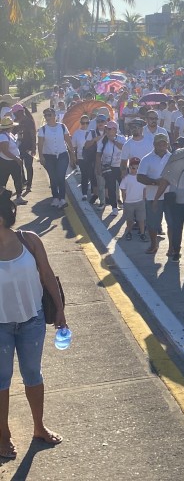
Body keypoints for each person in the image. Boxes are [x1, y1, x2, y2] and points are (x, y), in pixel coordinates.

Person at [0, 189, 66, 458]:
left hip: (33, 321)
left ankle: (39, 427)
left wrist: (60, 310)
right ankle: (3, 436)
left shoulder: (30, 240)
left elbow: (47, 275)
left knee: (33, 375)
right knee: (1, 380)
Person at [137, 134, 171, 255]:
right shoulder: (146, 159)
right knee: (152, 223)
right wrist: (154, 182)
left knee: (171, 223)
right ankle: (153, 244)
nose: (162, 146)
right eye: (159, 144)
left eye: (164, 144)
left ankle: (172, 248)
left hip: (169, 195)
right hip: (152, 196)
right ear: (154, 145)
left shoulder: (172, 158)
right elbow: (140, 177)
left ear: (167, 144)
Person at [37, 107, 76, 209]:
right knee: (53, 177)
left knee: (60, 176)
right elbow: (40, 144)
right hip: (49, 156)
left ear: (54, 116)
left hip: (62, 155)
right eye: (45, 115)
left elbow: (68, 140)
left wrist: (72, 153)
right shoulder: (43, 129)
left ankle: (62, 199)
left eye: (49, 115)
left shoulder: (62, 127)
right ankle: (55, 197)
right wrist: (41, 156)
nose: (47, 117)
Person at [95, 120, 125, 217]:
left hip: (120, 167)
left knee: (124, 188)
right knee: (111, 188)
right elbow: (98, 155)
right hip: (109, 168)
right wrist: (98, 168)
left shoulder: (122, 138)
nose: (106, 130)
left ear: (115, 130)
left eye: (108, 129)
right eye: (106, 129)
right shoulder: (102, 141)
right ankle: (114, 208)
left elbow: (124, 149)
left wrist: (114, 141)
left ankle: (126, 205)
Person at [119, 157, 147, 242]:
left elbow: (145, 188)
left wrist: (143, 198)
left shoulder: (141, 178)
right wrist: (124, 201)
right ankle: (129, 232)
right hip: (129, 202)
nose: (136, 170)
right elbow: (123, 190)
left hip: (140, 202)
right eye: (134, 167)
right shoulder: (126, 178)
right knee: (130, 220)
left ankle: (142, 233)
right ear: (130, 167)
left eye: (138, 168)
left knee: (141, 219)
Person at [71, 115, 97, 201]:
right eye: (83, 123)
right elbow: (74, 147)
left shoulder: (93, 132)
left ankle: (94, 192)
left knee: (92, 175)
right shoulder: (76, 133)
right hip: (81, 157)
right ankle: (84, 193)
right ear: (80, 123)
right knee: (84, 175)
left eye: (87, 123)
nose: (85, 124)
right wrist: (74, 158)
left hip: (91, 157)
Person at [11, 104, 36, 194]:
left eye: (15, 113)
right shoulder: (14, 121)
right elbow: (12, 134)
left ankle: (29, 185)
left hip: (28, 147)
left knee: (28, 166)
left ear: (20, 112)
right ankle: (23, 182)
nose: (14, 114)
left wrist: (34, 148)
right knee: (19, 166)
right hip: (17, 148)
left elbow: (33, 135)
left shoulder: (29, 121)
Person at [0, 117, 25, 204]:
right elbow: (5, 151)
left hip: (12, 161)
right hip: (6, 161)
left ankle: (19, 196)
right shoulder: (3, 136)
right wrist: (16, 158)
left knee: (18, 178)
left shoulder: (9, 134)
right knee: (3, 180)